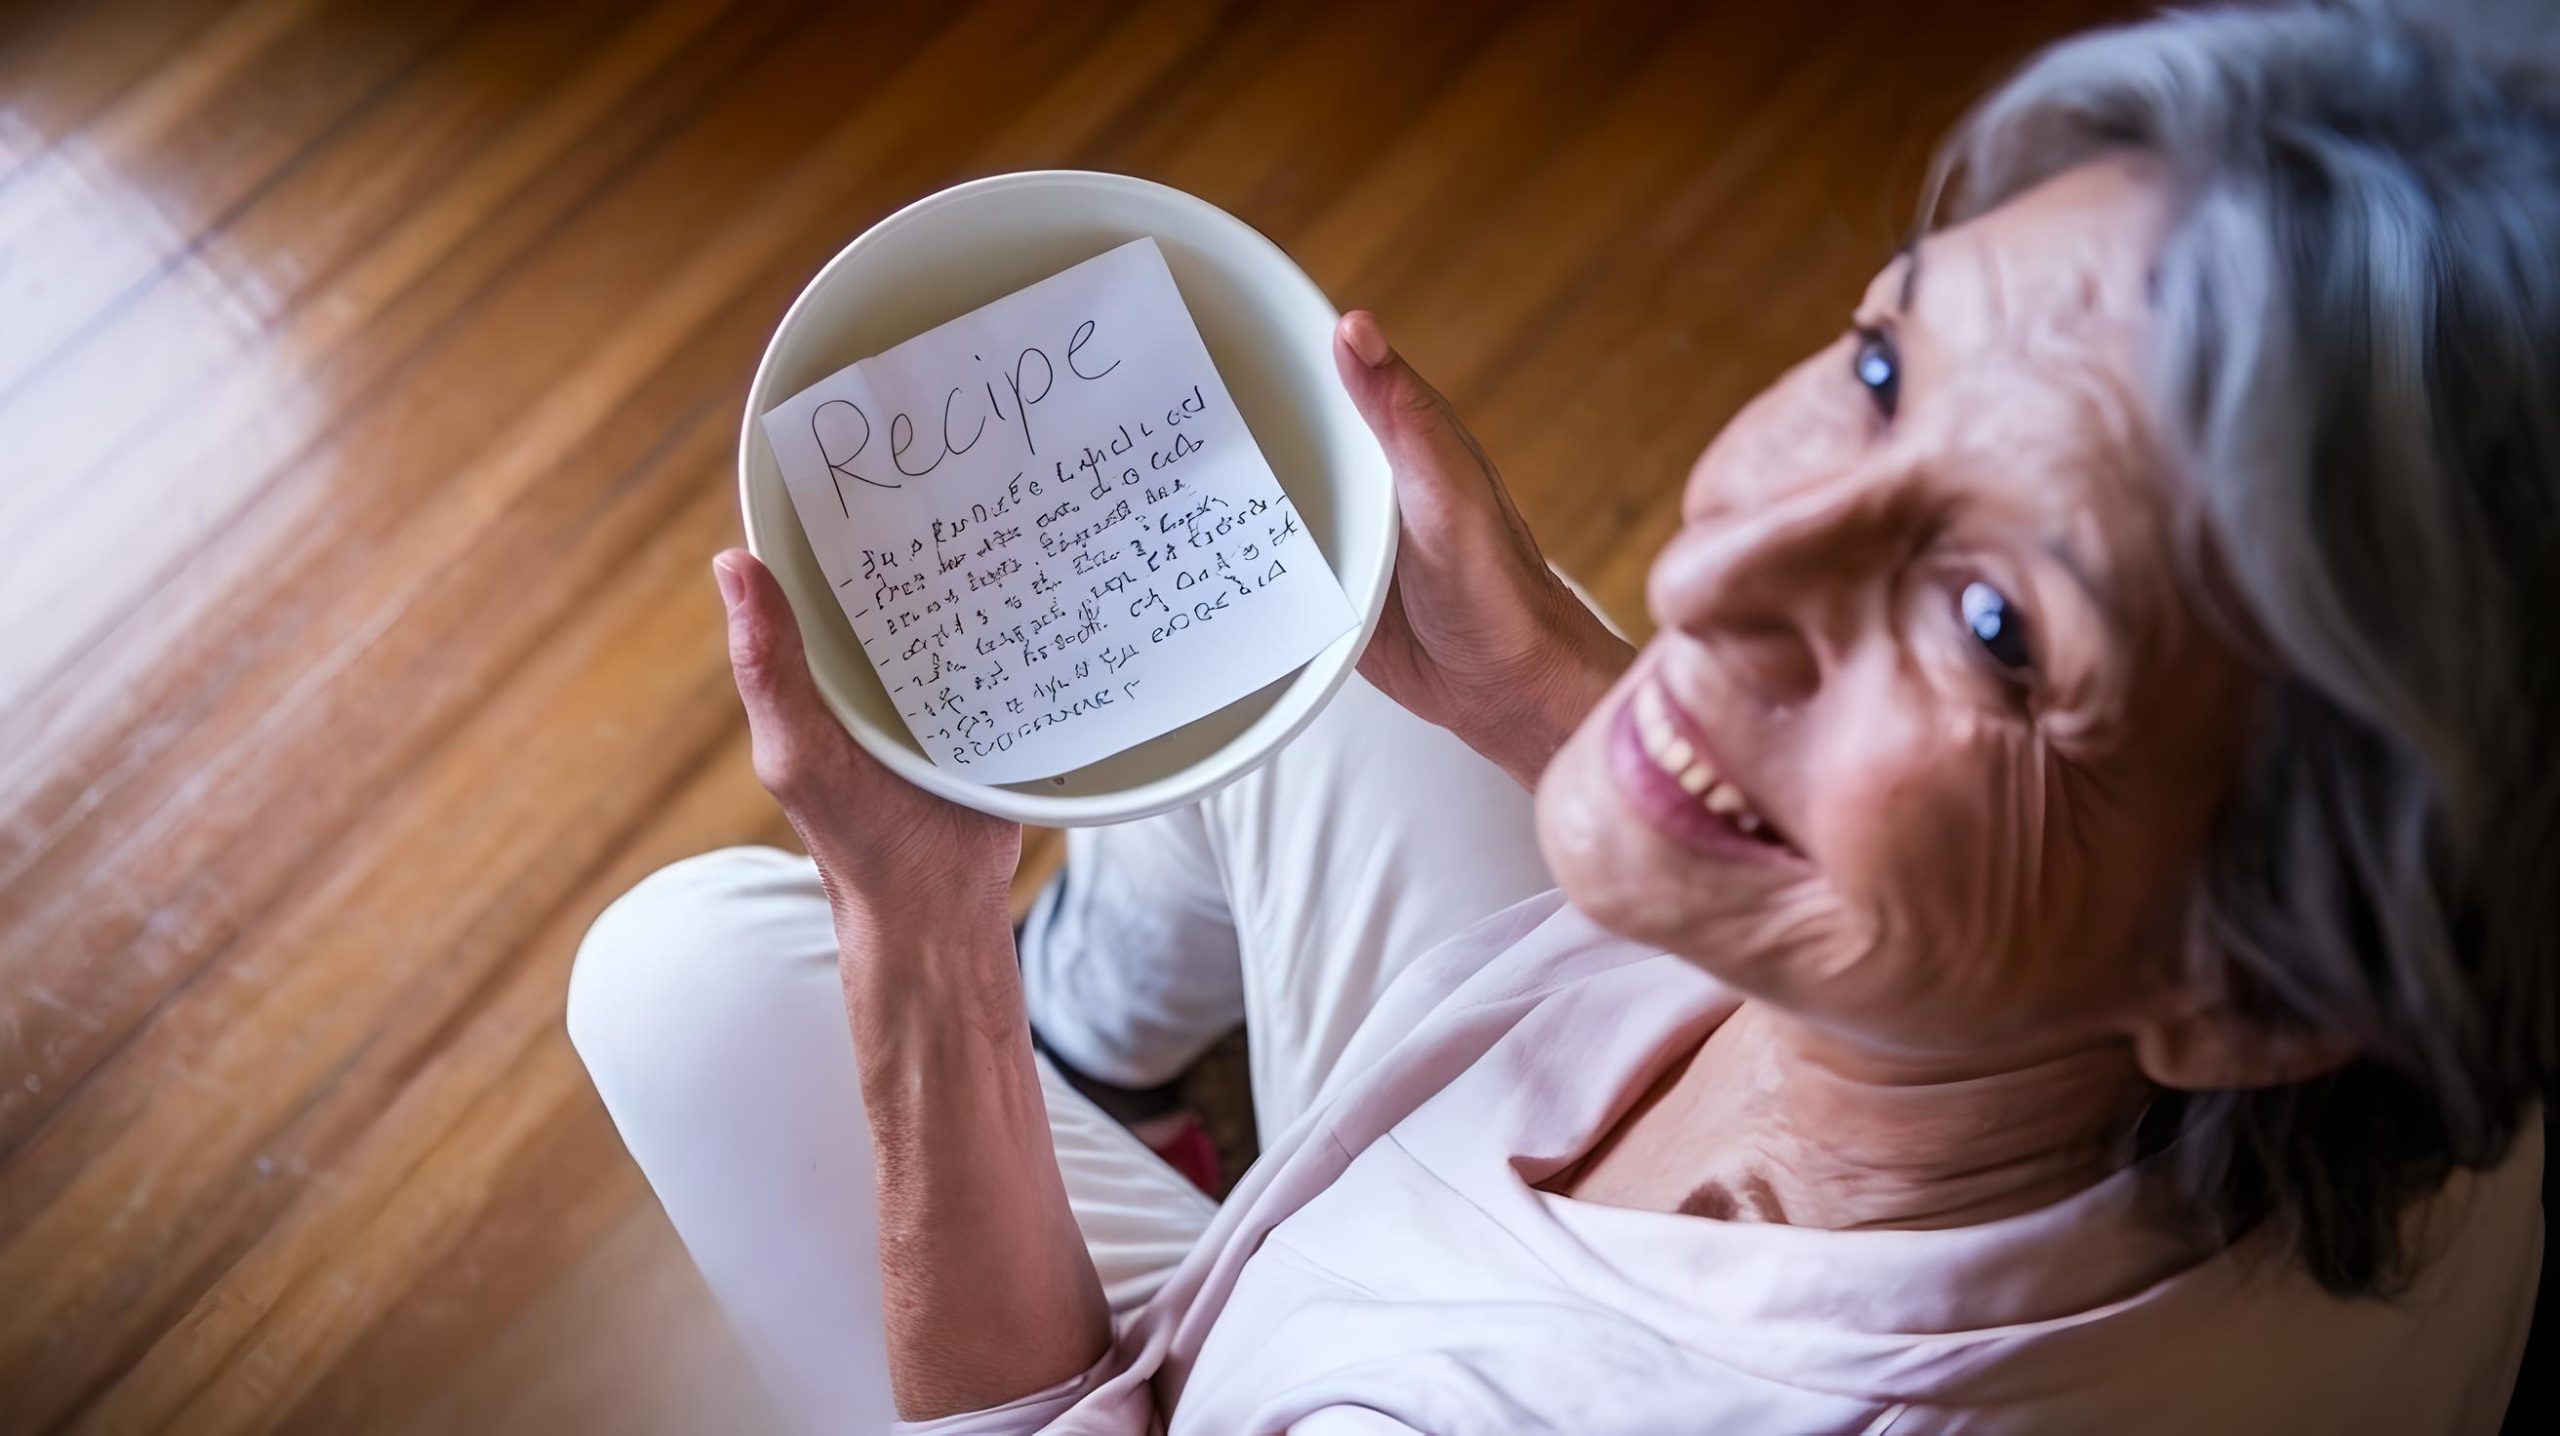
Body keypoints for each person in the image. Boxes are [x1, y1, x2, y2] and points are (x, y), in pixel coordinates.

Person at [569, 4, 2556, 1431]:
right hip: (1618, 1062)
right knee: (1294, 592)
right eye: (1880, 369)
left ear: (2256, 998)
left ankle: (1084, 1048)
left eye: (1989, 624)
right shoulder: (2438, 910)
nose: (1707, 576)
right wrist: (1542, 699)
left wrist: (920, 938)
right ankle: (1122, 1050)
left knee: (672, 976)